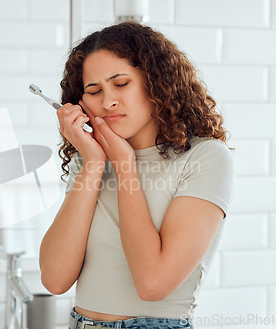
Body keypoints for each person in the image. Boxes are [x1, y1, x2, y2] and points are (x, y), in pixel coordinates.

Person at [39, 22, 235, 329]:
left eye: (121, 83)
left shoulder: (205, 157)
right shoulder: (90, 160)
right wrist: (93, 163)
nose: (107, 102)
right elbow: (54, 278)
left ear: (156, 83)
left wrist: (125, 166)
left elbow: (152, 283)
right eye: (94, 90)